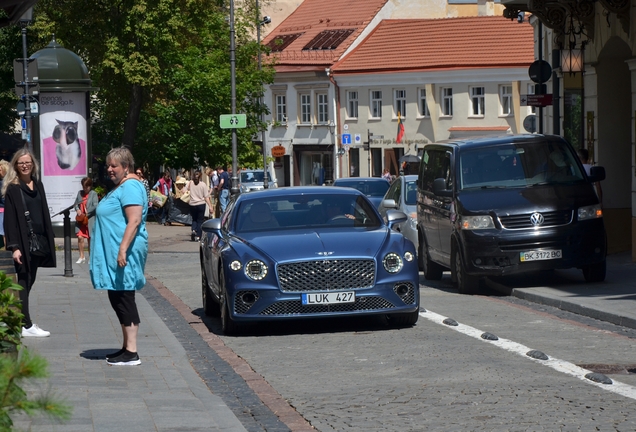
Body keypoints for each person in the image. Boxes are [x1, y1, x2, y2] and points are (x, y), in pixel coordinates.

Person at [90, 147, 148, 366]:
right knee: (117, 295)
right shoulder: (121, 186)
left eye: (115, 165)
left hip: (124, 251)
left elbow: (133, 221)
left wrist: (123, 249)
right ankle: (126, 347)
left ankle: (132, 352)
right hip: (115, 251)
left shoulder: (131, 187)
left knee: (124, 296)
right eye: (108, 165)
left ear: (126, 167)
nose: (110, 169)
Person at [2, 148, 56, 337]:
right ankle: (26, 325)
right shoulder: (13, 188)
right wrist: (14, 247)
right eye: (21, 163)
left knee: (29, 280)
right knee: (24, 280)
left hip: (38, 241)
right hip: (24, 243)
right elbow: (9, 220)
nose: (25, 165)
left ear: (33, 164)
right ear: (16, 165)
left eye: (28, 162)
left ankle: (19, 320)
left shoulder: (37, 184)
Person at [73, 177, 99, 264]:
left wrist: (87, 214)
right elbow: (75, 204)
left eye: (86, 187)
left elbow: (95, 205)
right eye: (83, 186)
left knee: (90, 239)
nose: (85, 189)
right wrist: (77, 210)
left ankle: (91, 257)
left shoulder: (93, 194)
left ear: (90, 186)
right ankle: (81, 256)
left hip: (89, 219)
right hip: (81, 220)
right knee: (80, 237)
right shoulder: (80, 193)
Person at [182, 170, 212, 241]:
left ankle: (193, 230)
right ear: (200, 176)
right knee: (200, 220)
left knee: (194, 219)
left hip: (192, 204)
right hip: (201, 204)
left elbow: (183, 191)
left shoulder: (190, 183)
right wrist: (210, 206)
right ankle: (199, 236)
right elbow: (206, 197)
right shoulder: (203, 185)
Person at [0, 159, 9, 249]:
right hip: (3, 209)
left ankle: (7, 248)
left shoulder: (3, 183)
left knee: (4, 231)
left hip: (2, 210)